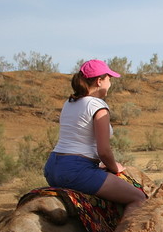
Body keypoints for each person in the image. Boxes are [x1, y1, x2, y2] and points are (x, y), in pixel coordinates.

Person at [44, 59, 147, 217]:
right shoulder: (97, 106)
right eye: (109, 79)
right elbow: (104, 151)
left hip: (53, 167)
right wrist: (115, 168)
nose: (110, 84)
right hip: (76, 171)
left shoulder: (69, 103)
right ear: (99, 81)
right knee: (138, 198)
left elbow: (78, 142)